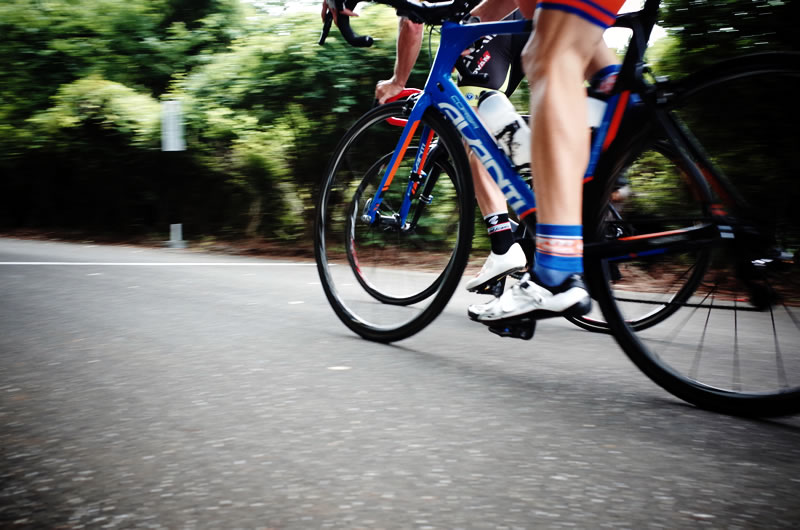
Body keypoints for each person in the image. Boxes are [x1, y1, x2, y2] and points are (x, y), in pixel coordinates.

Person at [322, 0, 626, 324]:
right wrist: (469, 21)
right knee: (602, 77)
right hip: (529, 14)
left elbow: (412, 23)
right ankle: (618, 146)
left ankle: (520, 254)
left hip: (503, 33)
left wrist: (398, 80)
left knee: (475, 125)